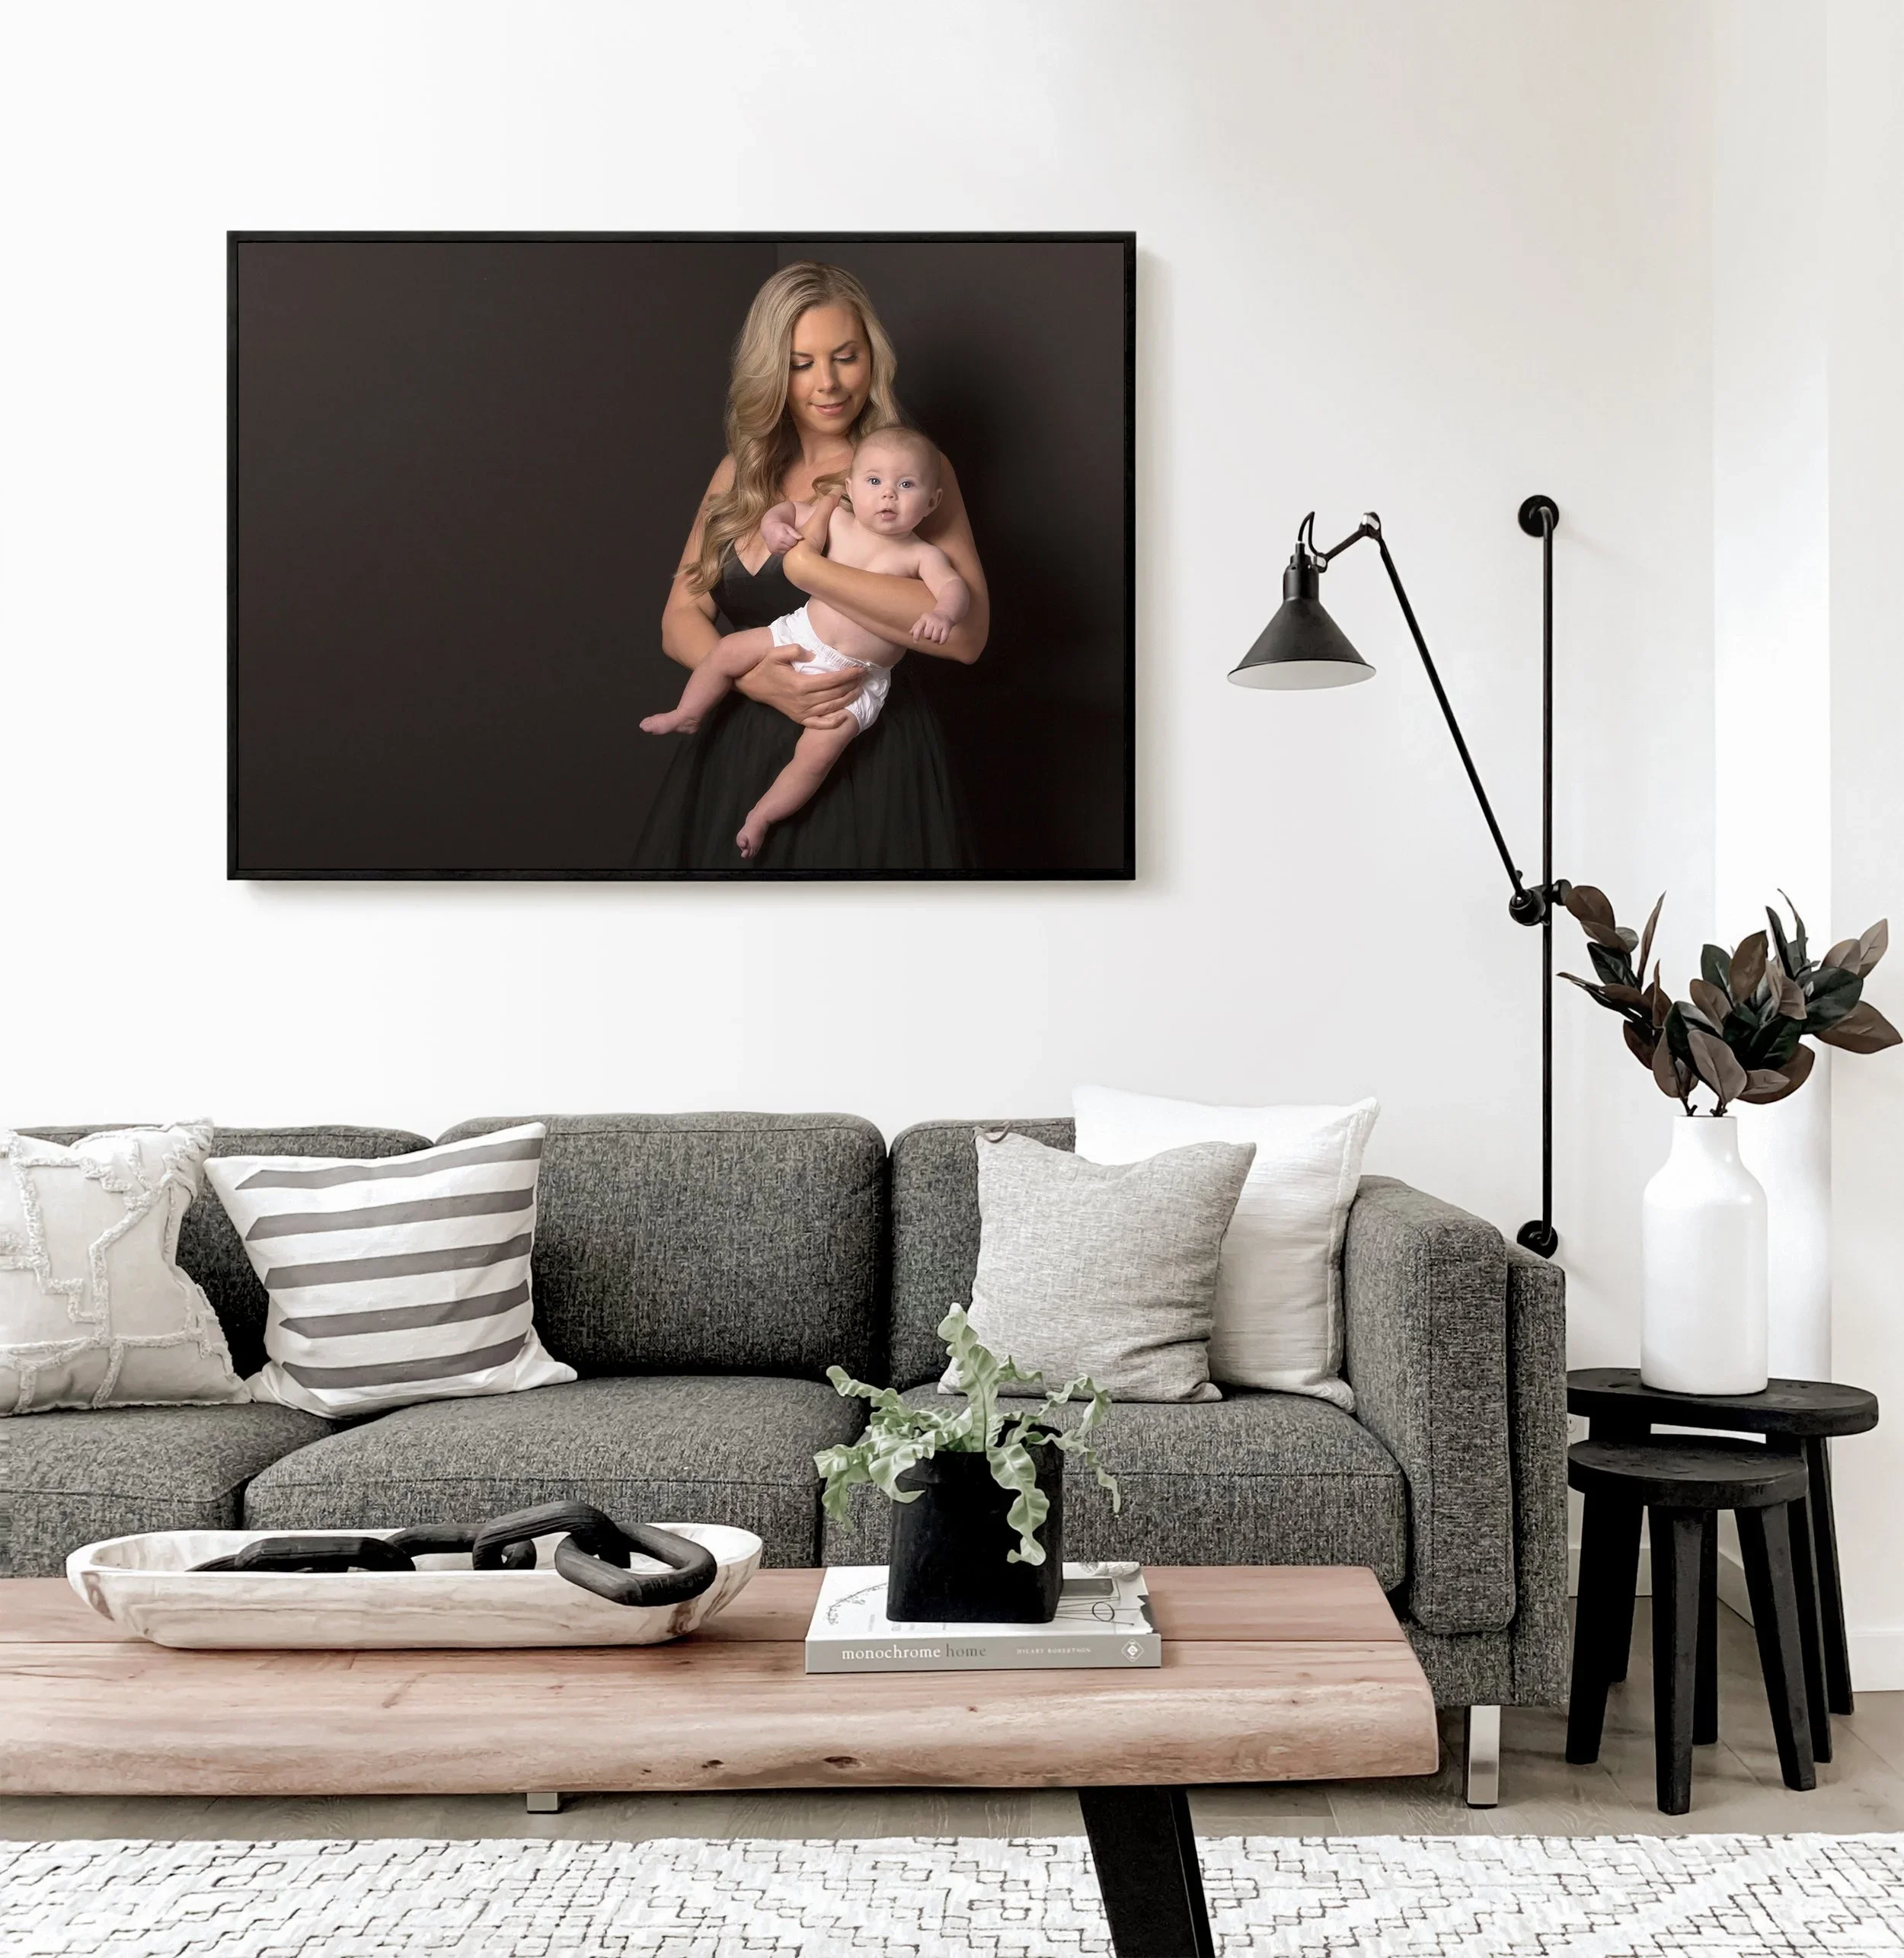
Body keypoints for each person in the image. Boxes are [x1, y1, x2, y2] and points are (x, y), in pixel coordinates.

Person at [631, 263, 987, 872]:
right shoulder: (738, 474)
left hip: (859, 754)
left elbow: (966, 637)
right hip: (734, 754)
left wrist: (810, 571)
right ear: (772, 371)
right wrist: (754, 681)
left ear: (872, 359)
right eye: (802, 363)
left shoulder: (907, 475)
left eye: (845, 357)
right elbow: (680, 618)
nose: (828, 383)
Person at [640, 428, 968, 858]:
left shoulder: (921, 555)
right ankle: (688, 712)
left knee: (815, 757)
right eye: (875, 483)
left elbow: (954, 587)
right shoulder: (836, 518)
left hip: (854, 679)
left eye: (906, 486)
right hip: (798, 636)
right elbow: (790, 510)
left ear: (931, 502)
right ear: (850, 488)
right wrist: (775, 525)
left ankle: (763, 816)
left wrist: (943, 613)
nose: (888, 496)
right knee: (727, 651)